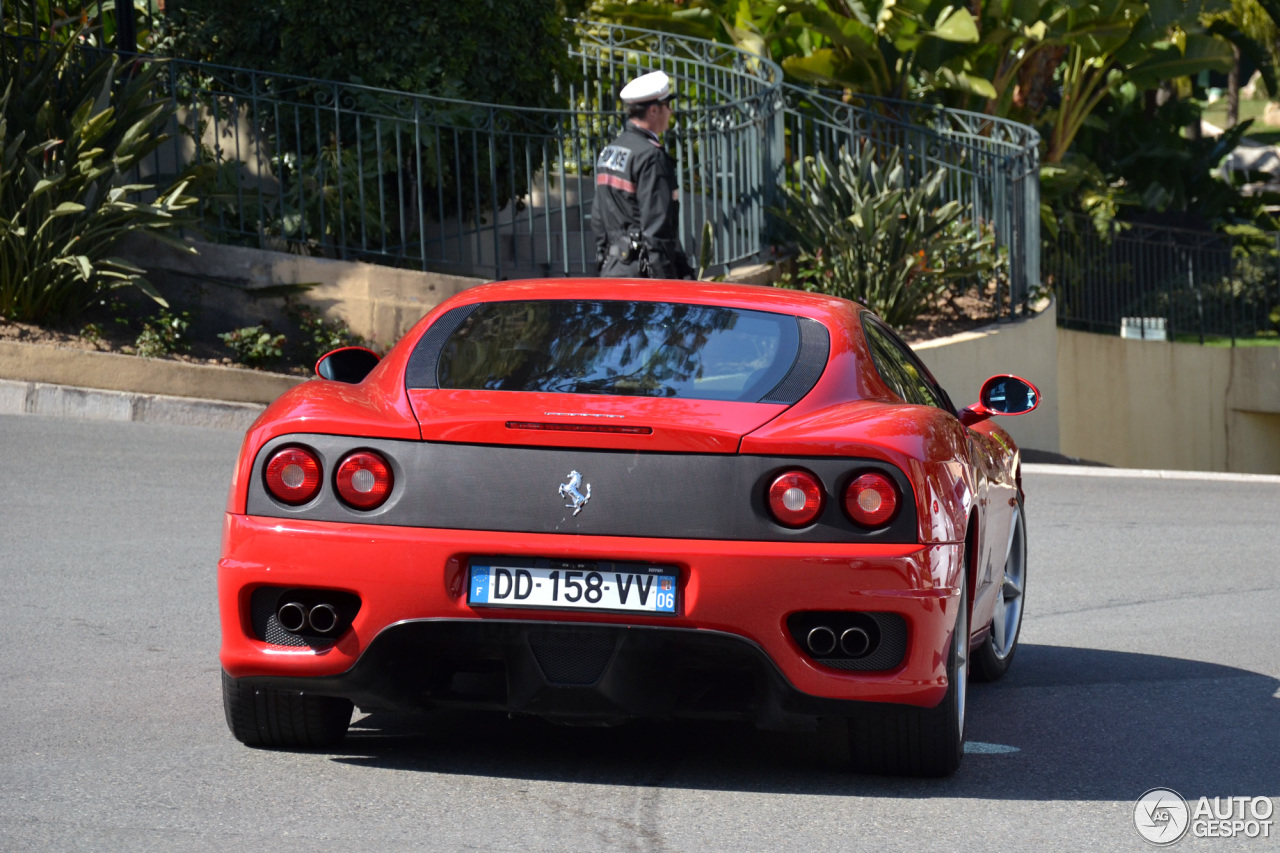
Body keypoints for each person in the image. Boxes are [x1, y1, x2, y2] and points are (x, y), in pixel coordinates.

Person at [592, 70, 694, 279]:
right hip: (642, 277)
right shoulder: (650, 157)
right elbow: (657, 231)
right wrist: (666, 287)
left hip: (612, 271)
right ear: (654, 110)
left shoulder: (610, 151)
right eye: (668, 106)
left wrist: (604, 262)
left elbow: (597, 219)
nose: (671, 112)